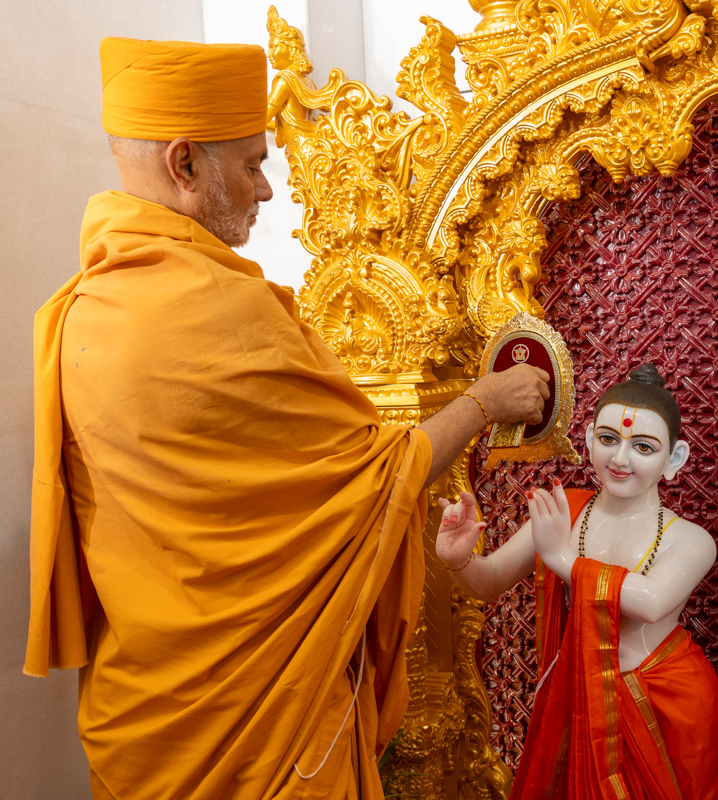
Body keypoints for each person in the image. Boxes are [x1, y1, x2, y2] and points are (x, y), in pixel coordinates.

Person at [25, 37, 549, 800]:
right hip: (259, 713)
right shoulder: (220, 306)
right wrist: (483, 403)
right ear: (184, 164)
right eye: (252, 165)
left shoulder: (82, 306)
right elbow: (375, 478)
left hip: (143, 712)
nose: (267, 191)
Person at [435, 364, 718, 799]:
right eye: (608, 439)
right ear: (589, 439)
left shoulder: (690, 539)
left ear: (674, 459)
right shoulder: (564, 512)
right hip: (581, 699)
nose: (621, 459)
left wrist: (562, 558)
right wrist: (459, 560)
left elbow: (651, 602)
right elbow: (490, 580)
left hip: (665, 703)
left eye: (643, 447)